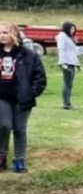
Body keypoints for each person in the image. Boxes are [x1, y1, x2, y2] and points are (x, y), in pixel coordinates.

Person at [0, 21, 46, 173]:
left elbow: (40, 78)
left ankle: (19, 160)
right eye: (0, 33)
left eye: (5, 32)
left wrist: (31, 93)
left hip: (22, 98)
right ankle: (1, 156)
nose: (2, 36)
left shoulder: (28, 54)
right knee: (4, 125)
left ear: (14, 34)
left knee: (19, 129)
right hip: (2, 97)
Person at [56, 21, 80, 110]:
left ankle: (68, 103)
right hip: (66, 63)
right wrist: (63, 63)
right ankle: (66, 104)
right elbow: (61, 50)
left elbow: (73, 52)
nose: (73, 31)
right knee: (67, 83)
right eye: (71, 29)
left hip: (72, 63)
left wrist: (78, 64)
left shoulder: (69, 38)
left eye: (74, 29)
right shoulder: (62, 37)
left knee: (69, 84)